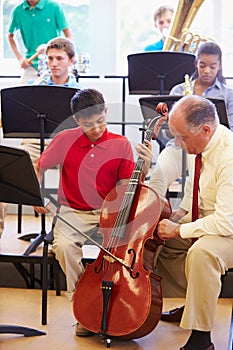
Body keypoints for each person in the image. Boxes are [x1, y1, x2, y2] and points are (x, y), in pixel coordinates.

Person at [34, 88, 154, 334]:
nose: (97, 128)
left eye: (101, 121)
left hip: (107, 212)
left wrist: (144, 169)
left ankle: (117, 305)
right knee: (65, 248)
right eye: (89, 124)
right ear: (77, 120)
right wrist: (36, 195)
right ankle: (84, 309)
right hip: (72, 211)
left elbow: (125, 188)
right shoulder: (64, 139)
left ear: (106, 112)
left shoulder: (120, 144)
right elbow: (39, 166)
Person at [156, 95, 233, 350]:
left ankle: (201, 339)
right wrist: (172, 218)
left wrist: (179, 229)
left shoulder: (229, 156)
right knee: (159, 243)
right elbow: (192, 196)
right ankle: (192, 303)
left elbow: (225, 222)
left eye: (182, 137)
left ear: (206, 129)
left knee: (202, 253)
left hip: (229, 229)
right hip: (213, 221)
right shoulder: (198, 146)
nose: (178, 143)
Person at [149, 41, 233, 199]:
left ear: (220, 65)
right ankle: (152, 217)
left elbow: (230, 130)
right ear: (196, 63)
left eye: (212, 66)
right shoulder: (178, 90)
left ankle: (193, 220)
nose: (207, 71)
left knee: (198, 191)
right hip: (178, 147)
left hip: (210, 151)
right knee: (157, 180)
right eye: (202, 65)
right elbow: (167, 136)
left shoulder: (228, 94)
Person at [21, 36, 82, 167]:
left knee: (79, 163)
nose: (54, 64)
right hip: (36, 142)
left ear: (71, 61)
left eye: (59, 58)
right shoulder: (33, 86)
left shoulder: (80, 91)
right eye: (50, 58)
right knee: (23, 160)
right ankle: (34, 188)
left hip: (68, 143)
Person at [8, 0, 73, 84]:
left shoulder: (54, 7)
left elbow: (69, 36)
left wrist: (61, 56)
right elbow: (10, 36)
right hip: (32, 64)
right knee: (21, 94)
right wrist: (20, 58)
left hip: (54, 63)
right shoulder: (17, 11)